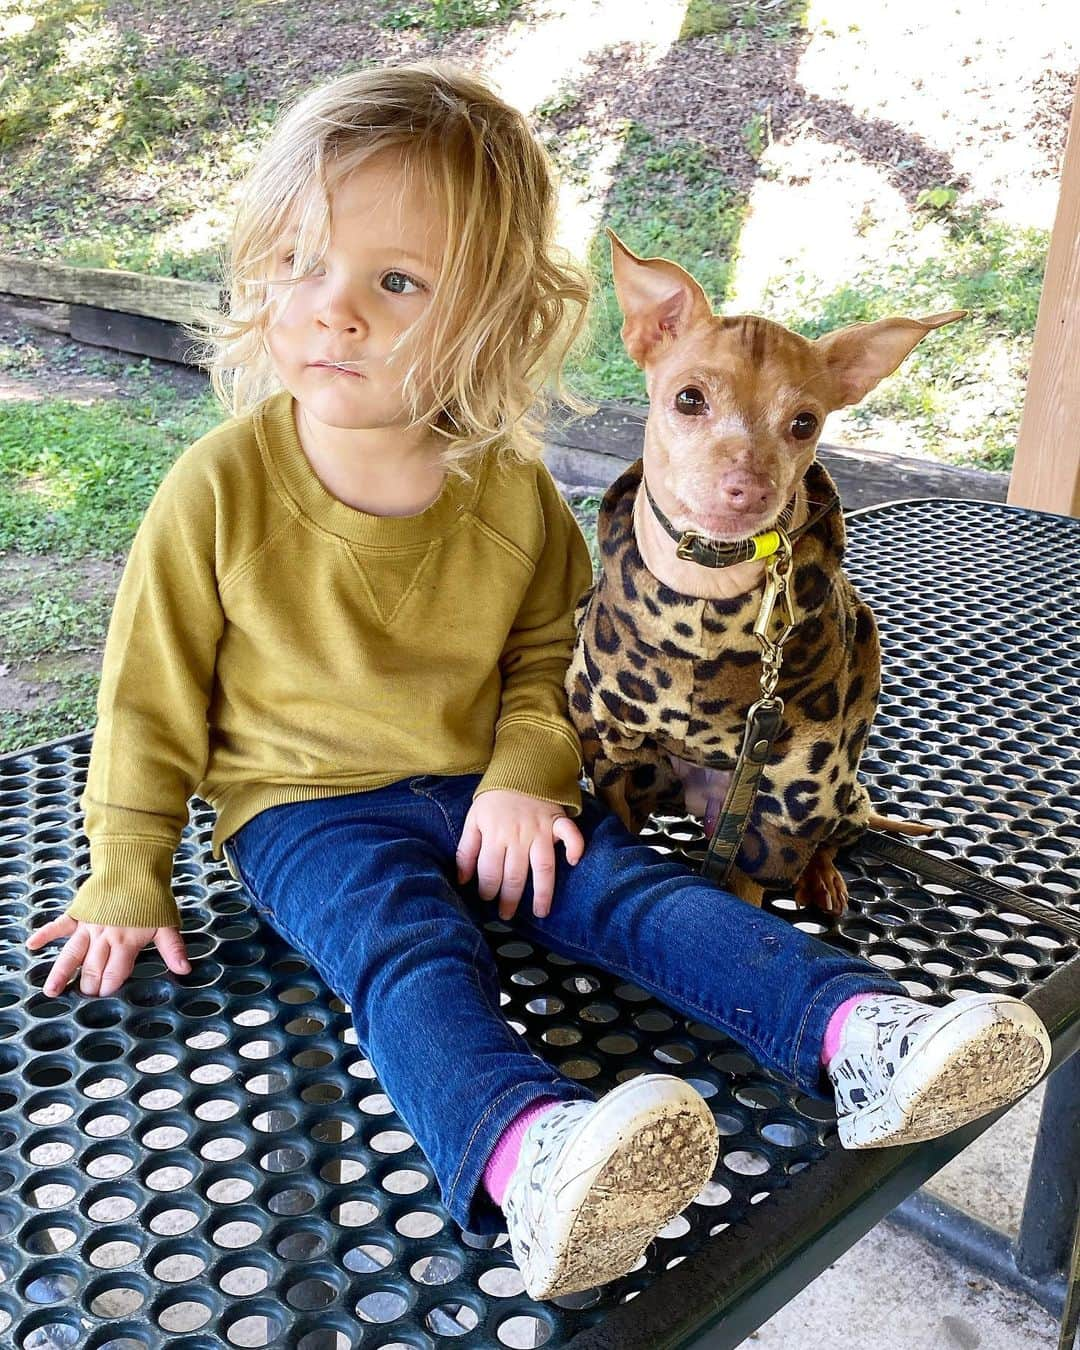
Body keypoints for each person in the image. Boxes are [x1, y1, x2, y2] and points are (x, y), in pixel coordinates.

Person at [24, 61, 1051, 1302]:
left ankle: (862, 1032)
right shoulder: (220, 488)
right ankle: (531, 1157)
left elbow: (545, 661)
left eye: (394, 282)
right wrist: (128, 871)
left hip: (478, 787)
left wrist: (523, 776)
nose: (331, 309)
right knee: (403, 949)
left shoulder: (505, 490)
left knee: (632, 890)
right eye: (300, 261)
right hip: (299, 810)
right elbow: (146, 696)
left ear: (491, 318)